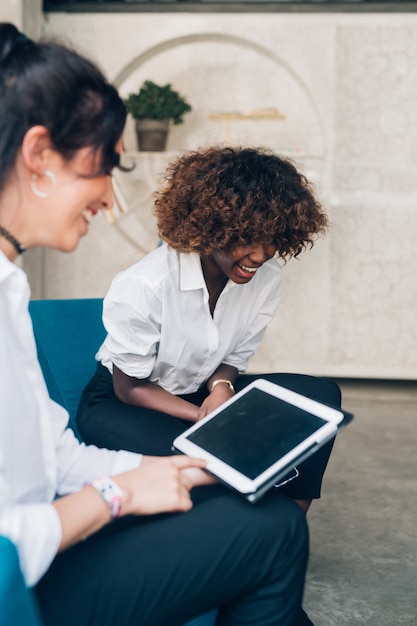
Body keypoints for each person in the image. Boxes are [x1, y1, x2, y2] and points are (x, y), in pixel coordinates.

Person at [0, 23, 315, 626]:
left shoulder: (10, 288)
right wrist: (114, 496)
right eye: (105, 164)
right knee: (269, 535)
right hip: (17, 586)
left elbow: (54, 457)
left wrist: (170, 469)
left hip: (47, 548)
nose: (110, 198)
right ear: (39, 155)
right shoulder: (140, 283)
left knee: (266, 519)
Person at [76, 146, 342, 517]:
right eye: (247, 238)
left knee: (319, 395)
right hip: (128, 402)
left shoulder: (266, 278)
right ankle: (246, 523)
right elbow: (129, 387)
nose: (260, 255)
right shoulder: (147, 284)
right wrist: (210, 419)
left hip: (203, 394)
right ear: (213, 228)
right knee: (208, 461)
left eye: (272, 239)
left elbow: (232, 359)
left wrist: (222, 389)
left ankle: (290, 524)